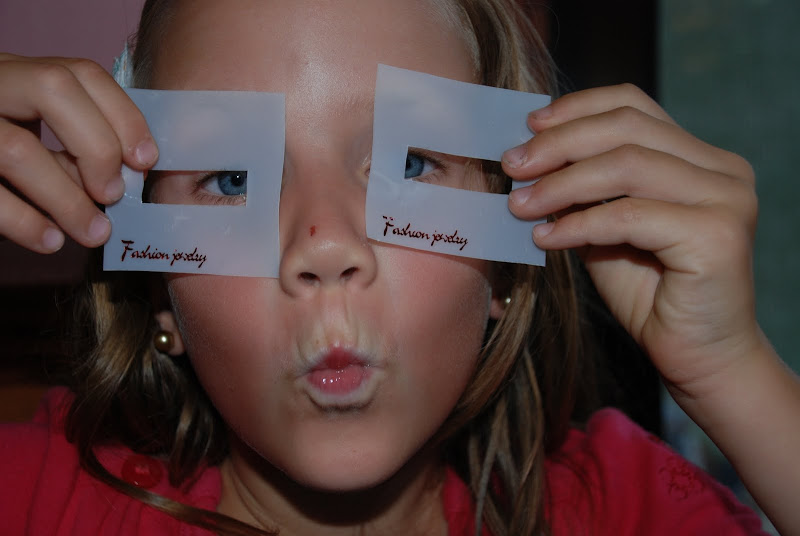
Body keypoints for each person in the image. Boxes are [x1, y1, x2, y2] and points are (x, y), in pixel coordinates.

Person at [0, 0, 797, 534]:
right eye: (232, 179)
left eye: (411, 163)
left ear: (503, 269)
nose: (325, 247)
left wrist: (733, 374)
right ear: (161, 295)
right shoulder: (39, 499)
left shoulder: (625, 511)